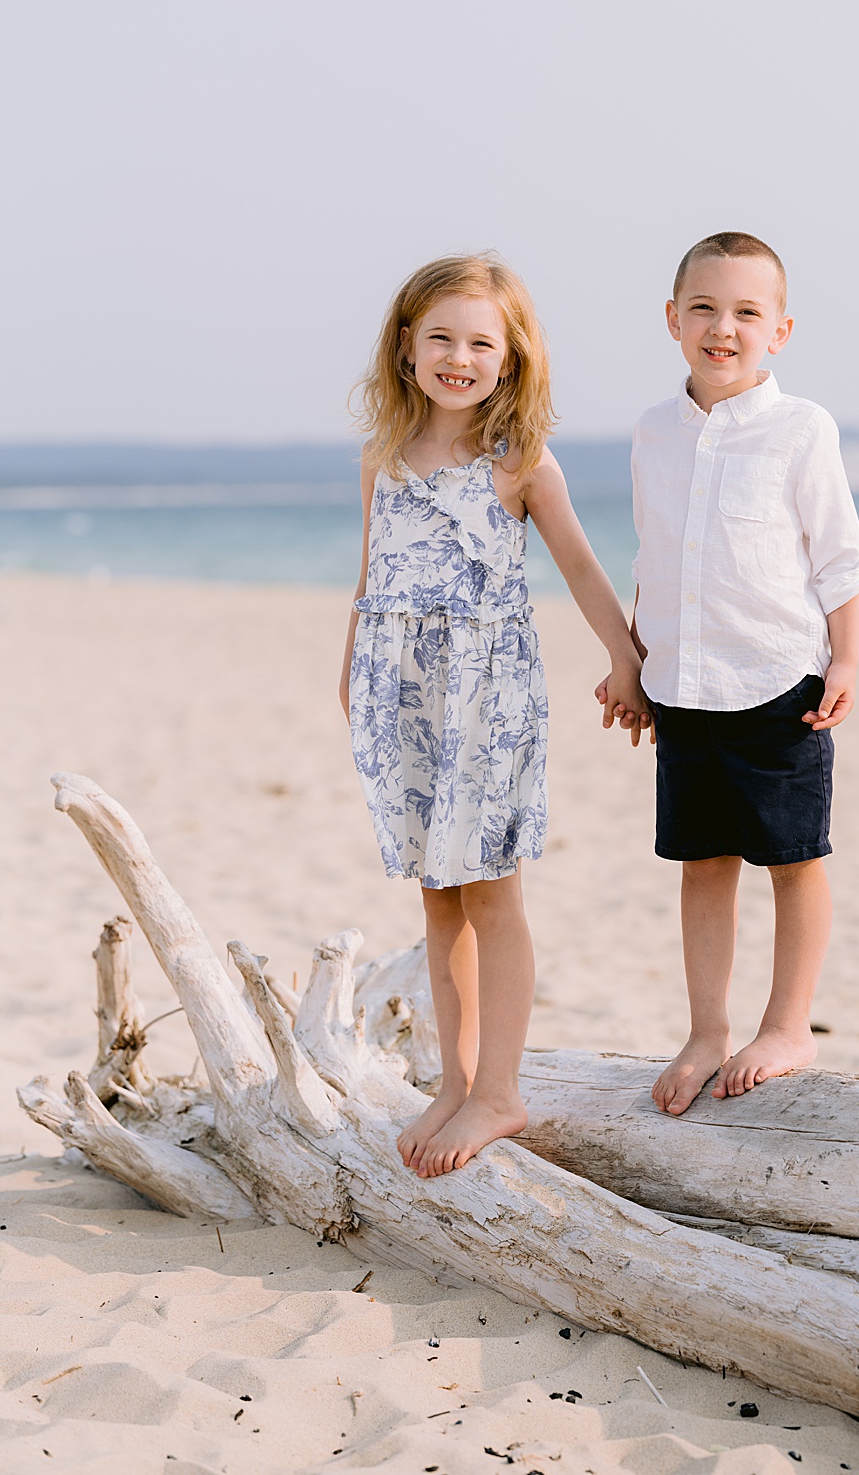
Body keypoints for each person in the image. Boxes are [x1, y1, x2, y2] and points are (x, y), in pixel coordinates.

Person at [341, 253, 647, 1177]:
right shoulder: (382, 458)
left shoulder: (520, 463)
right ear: (406, 346)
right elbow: (369, 584)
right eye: (441, 337)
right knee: (438, 897)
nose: (459, 357)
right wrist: (351, 674)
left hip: (489, 699)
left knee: (492, 892)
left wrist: (626, 659)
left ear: (512, 357)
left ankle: (500, 1091)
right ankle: (455, 1077)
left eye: (481, 341)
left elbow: (583, 568)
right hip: (407, 700)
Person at [600, 231, 859, 1117]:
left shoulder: (802, 430)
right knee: (702, 862)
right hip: (683, 687)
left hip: (778, 681)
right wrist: (634, 665)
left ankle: (788, 1023)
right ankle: (706, 1029)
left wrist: (848, 659)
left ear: (781, 330)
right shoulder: (651, 432)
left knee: (794, 858)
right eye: (706, 309)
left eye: (747, 313)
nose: (725, 328)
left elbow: (839, 559)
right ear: (672, 319)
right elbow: (655, 557)